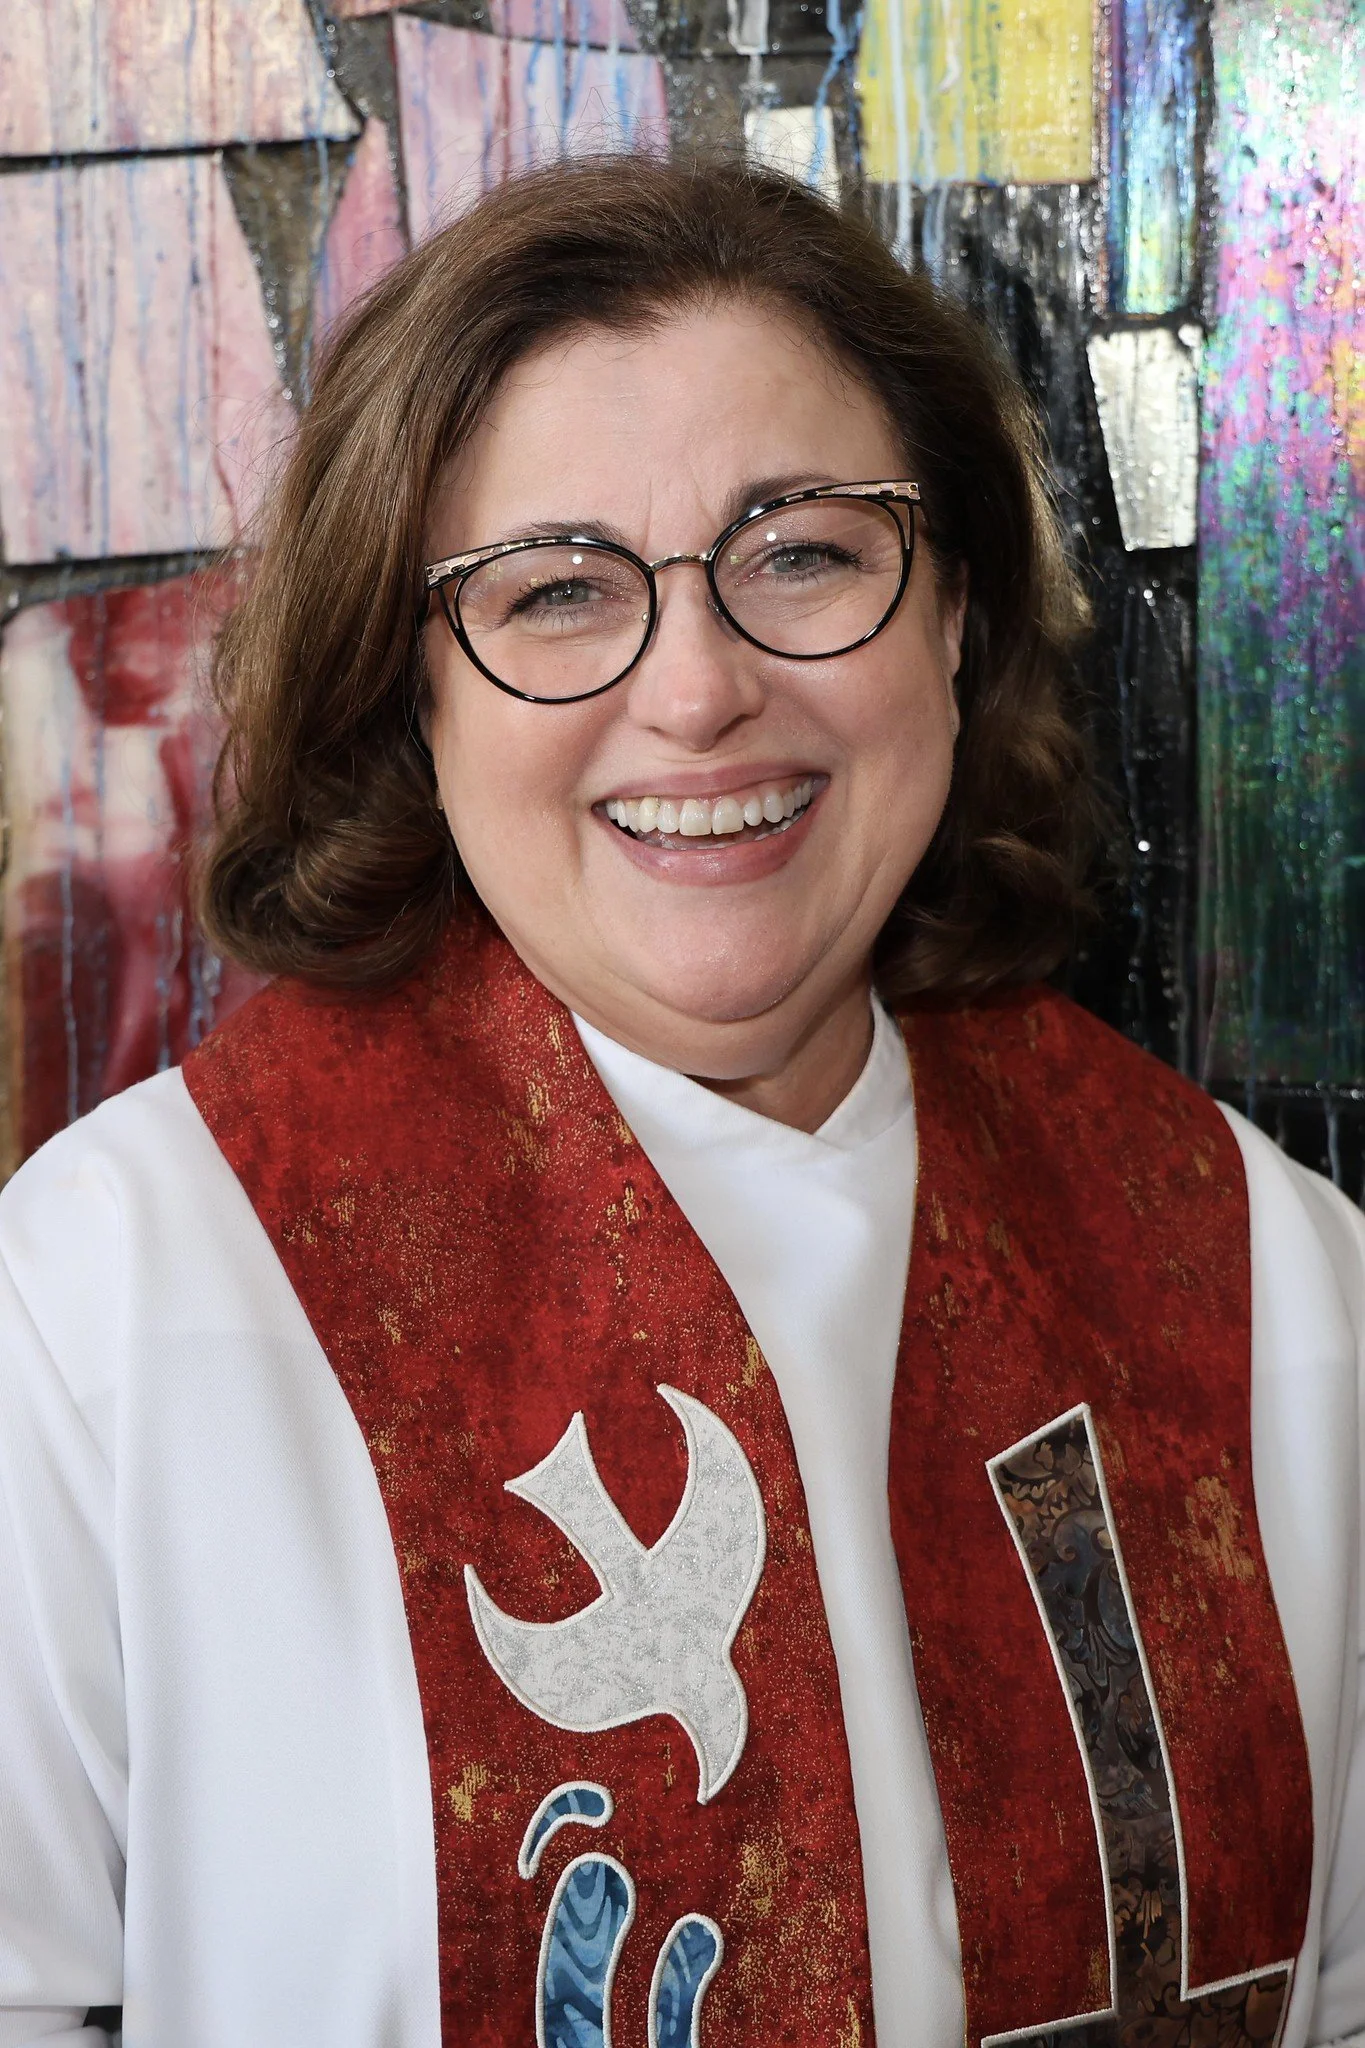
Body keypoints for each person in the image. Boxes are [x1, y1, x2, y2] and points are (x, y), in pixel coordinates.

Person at [0, 155, 1360, 2048]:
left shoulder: (1271, 1279)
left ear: (952, 615)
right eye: (557, 591)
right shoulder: (102, 1308)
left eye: (804, 550)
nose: (699, 689)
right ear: (418, 694)